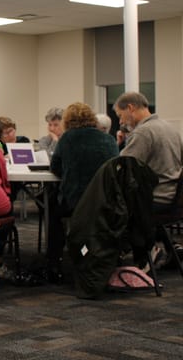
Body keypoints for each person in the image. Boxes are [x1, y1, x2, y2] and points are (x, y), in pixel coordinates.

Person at [48, 102, 118, 276]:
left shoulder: (68, 138)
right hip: (106, 201)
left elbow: (56, 168)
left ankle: (53, 260)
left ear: (67, 120)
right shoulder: (109, 139)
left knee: (51, 206)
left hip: (77, 202)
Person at [114, 91, 183, 213]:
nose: (120, 122)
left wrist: (119, 145)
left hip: (154, 197)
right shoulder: (170, 128)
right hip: (174, 196)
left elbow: (122, 167)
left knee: (104, 205)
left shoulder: (143, 132)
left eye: (120, 116)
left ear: (130, 108)